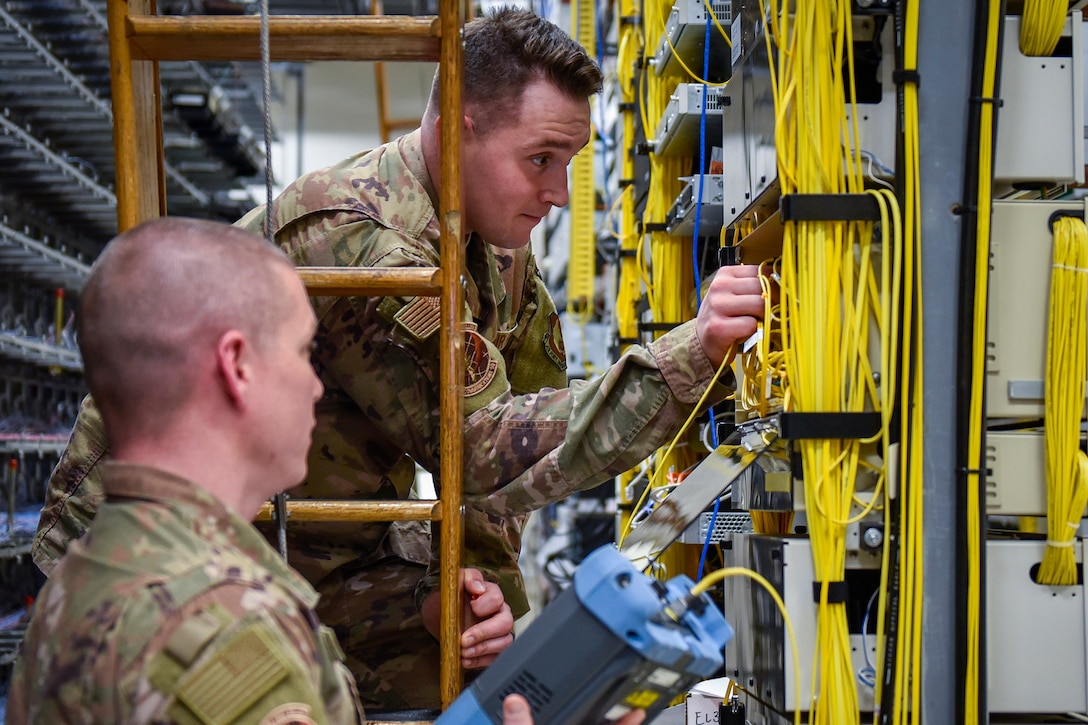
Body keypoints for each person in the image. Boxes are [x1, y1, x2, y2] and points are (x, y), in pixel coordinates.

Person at [33, 6, 765, 712]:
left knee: (487, 660)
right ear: (457, 130)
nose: (554, 191)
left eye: (569, 161)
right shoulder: (368, 244)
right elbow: (485, 450)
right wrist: (689, 353)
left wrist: (475, 595)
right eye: (539, 158)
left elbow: (519, 458)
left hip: (317, 529)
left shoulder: (497, 253)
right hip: (162, 546)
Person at [7, 217, 365, 723]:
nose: (315, 386)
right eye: (304, 351)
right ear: (237, 365)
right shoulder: (227, 630)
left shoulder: (76, 581)